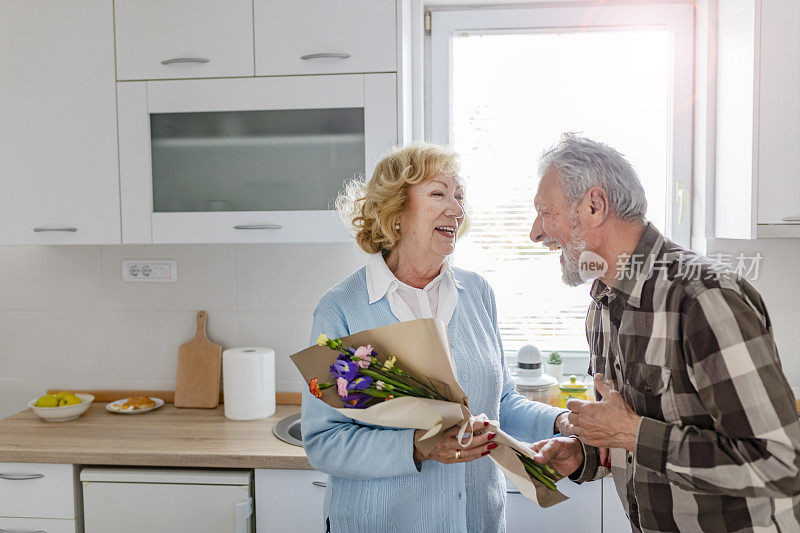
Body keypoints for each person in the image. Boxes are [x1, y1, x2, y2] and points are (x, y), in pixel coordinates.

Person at [528, 133, 800, 532]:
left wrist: (632, 433)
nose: (535, 232)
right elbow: (634, 440)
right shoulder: (602, 305)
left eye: (544, 211)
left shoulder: (704, 298)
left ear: (594, 205)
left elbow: (780, 464)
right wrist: (584, 456)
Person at [301, 142, 569, 532]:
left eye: (460, 197)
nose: (457, 209)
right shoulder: (343, 308)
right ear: (396, 213)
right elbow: (325, 440)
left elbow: (501, 404)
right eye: (439, 194)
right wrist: (420, 446)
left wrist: (562, 421)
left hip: (476, 522)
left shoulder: (477, 294)